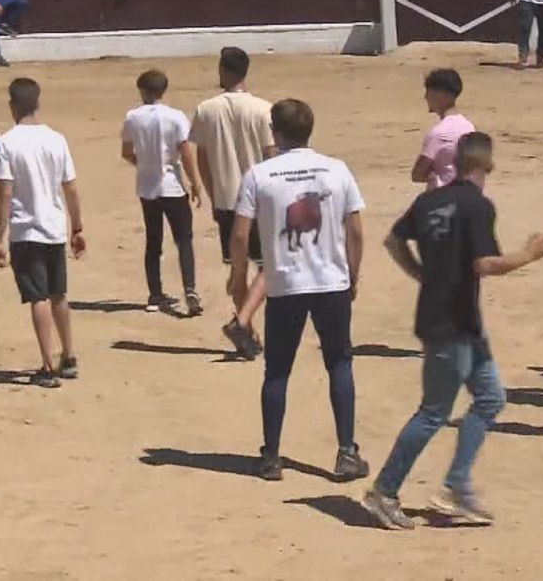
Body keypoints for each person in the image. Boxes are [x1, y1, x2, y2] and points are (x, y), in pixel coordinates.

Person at [364, 133, 543, 530]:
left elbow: (393, 240)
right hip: (453, 324)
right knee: (433, 412)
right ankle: (384, 490)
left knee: (490, 397)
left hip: (453, 320)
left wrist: (422, 275)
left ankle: (456, 487)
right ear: (485, 166)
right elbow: (484, 264)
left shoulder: (428, 201)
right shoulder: (477, 206)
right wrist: (528, 254)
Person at [230, 98, 368, 481]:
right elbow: (355, 230)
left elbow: (240, 236)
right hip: (330, 282)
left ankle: (271, 456)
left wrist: (238, 279)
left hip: (285, 284)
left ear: (275, 132)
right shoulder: (336, 169)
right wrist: (353, 274)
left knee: (277, 371)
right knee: (339, 363)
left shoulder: (260, 175)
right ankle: (346, 451)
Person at [0, 78, 86, 388]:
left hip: (26, 228)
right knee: (59, 294)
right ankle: (69, 355)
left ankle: (47, 364)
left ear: (12, 106)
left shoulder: (7, 142)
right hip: (54, 227)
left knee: (38, 297)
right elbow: (69, 188)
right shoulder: (56, 139)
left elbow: (5, 191)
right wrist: (77, 226)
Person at [190, 47, 275, 357]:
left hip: (227, 202)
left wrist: (214, 197)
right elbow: (270, 156)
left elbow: (203, 159)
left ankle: (247, 329)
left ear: (222, 71)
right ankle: (244, 323)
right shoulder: (264, 110)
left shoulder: (206, 109)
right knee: (271, 266)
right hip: (262, 202)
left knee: (238, 271)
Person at [122, 69, 203, 315]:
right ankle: (190, 288)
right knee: (184, 239)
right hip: (173, 185)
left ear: (142, 91)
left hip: (147, 187)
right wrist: (195, 182)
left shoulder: (133, 117)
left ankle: (155, 295)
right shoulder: (175, 116)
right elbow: (185, 152)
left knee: (153, 241)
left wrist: (144, 165)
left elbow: (126, 152)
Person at [411, 69, 475, 190]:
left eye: (429, 92)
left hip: (441, 198)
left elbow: (417, 174)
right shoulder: (469, 127)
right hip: (465, 195)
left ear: (442, 95)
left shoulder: (438, 133)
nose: (425, 97)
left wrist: (433, 172)